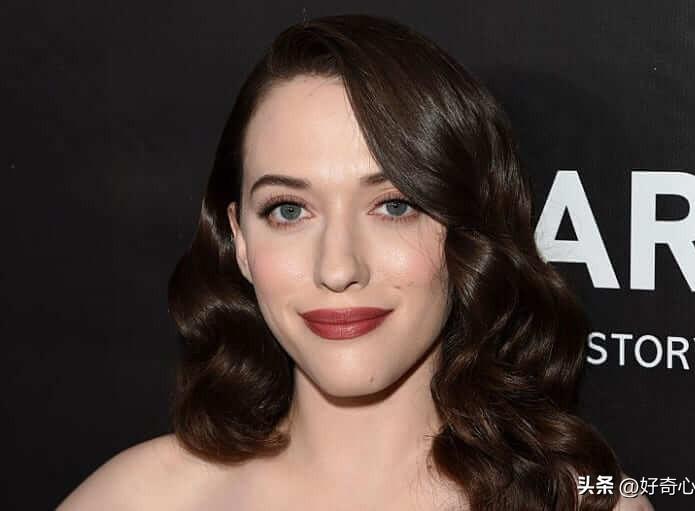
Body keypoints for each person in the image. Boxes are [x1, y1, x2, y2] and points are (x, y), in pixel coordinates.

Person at [58, 14, 653, 511]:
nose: (338, 268)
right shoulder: (134, 500)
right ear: (239, 239)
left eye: (394, 205)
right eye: (289, 210)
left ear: (468, 230)